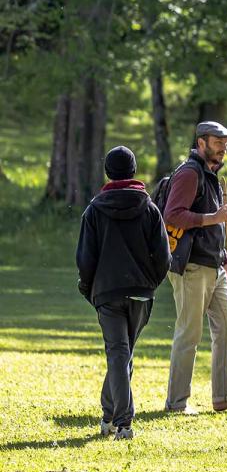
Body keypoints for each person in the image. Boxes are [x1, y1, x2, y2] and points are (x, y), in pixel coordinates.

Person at [76, 146, 171, 440]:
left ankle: (122, 422)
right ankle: (109, 418)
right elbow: (164, 257)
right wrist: (150, 283)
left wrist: (89, 289)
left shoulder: (94, 210)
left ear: (107, 172)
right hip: (141, 293)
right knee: (122, 354)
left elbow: (85, 259)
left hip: (107, 292)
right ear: (133, 171)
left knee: (119, 354)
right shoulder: (150, 209)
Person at [162, 121, 227, 414]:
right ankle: (177, 402)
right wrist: (213, 217)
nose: (224, 147)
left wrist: (226, 260)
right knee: (189, 334)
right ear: (201, 142)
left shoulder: (211, 176)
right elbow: (173, 215)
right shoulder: (190, 173)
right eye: (218, 141)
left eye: (226, 142)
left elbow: (214, 229)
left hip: (213, 265)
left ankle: (223, 396)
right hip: (191, 265)